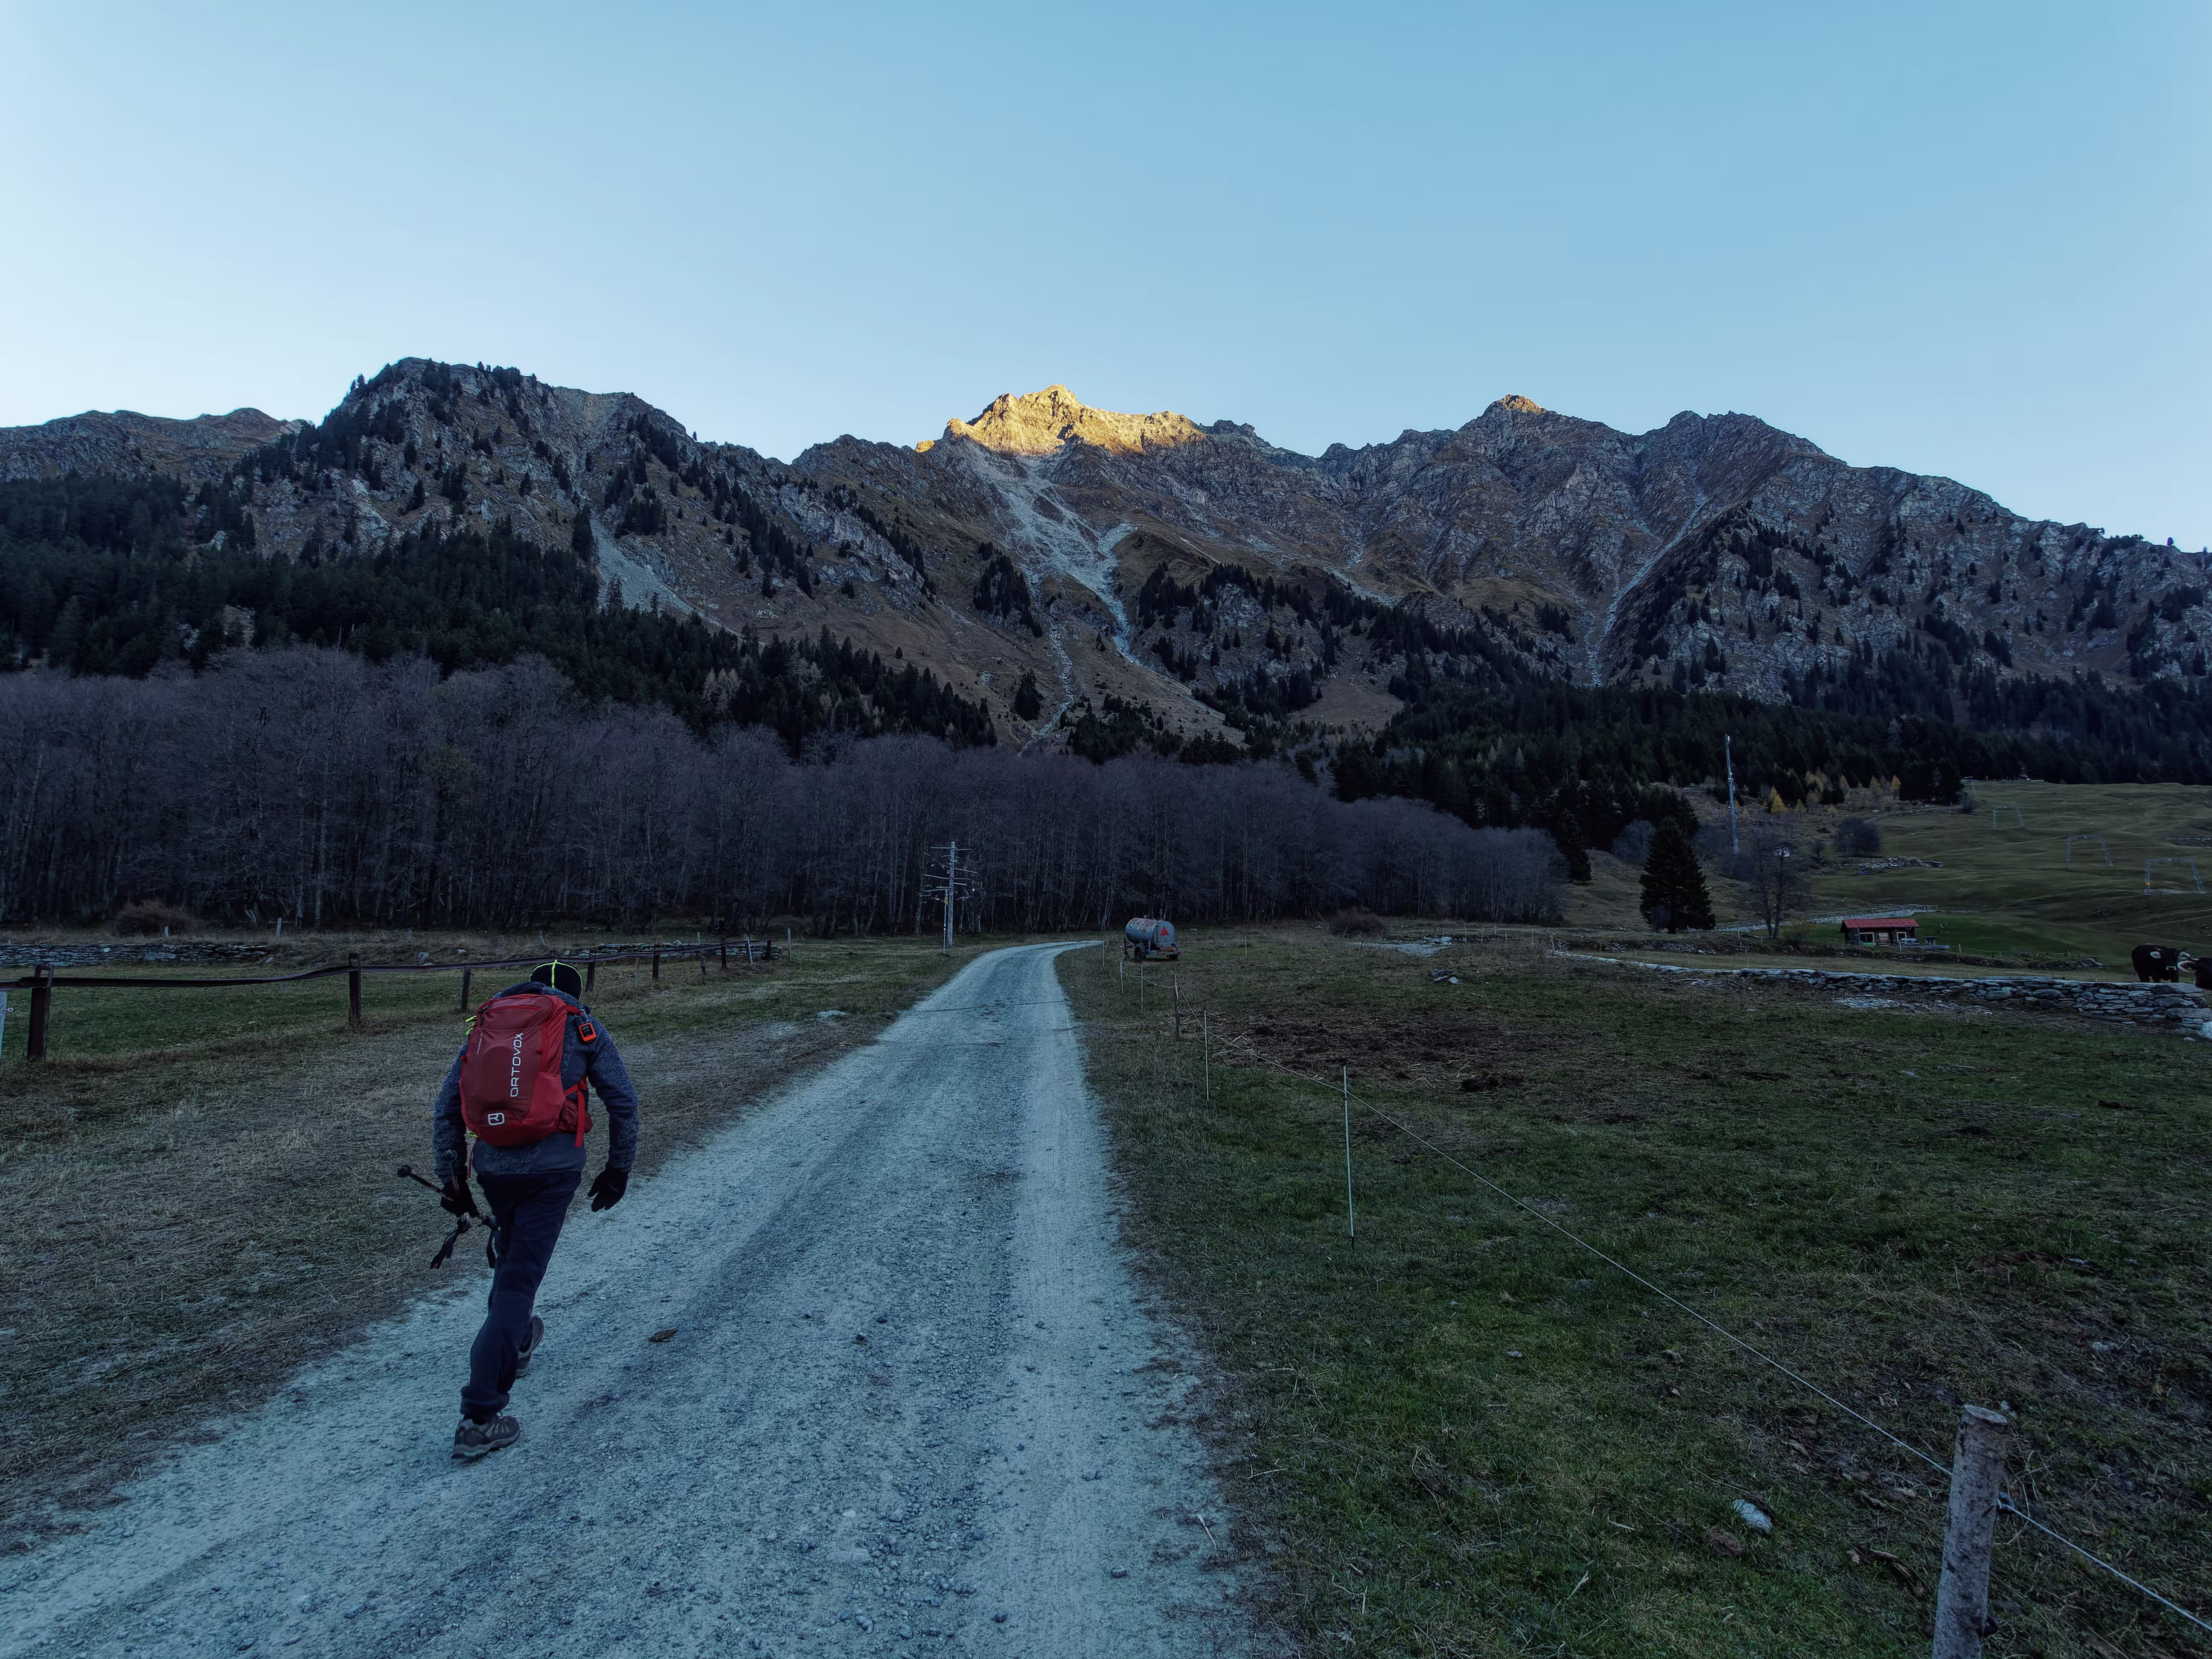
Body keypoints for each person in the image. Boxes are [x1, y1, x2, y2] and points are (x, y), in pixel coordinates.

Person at [432, 959, 639, 1459]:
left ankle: (519, 1339)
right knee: (519, 1279)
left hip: (493, 1166)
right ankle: (480, 1416)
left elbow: (447, 1108)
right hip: (553, 1167)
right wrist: (619, 1169)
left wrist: (453, 1179)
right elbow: (623, 1100)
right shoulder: (581, 1023)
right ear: (572, 992)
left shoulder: (489, 1026)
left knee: (511, 1255)